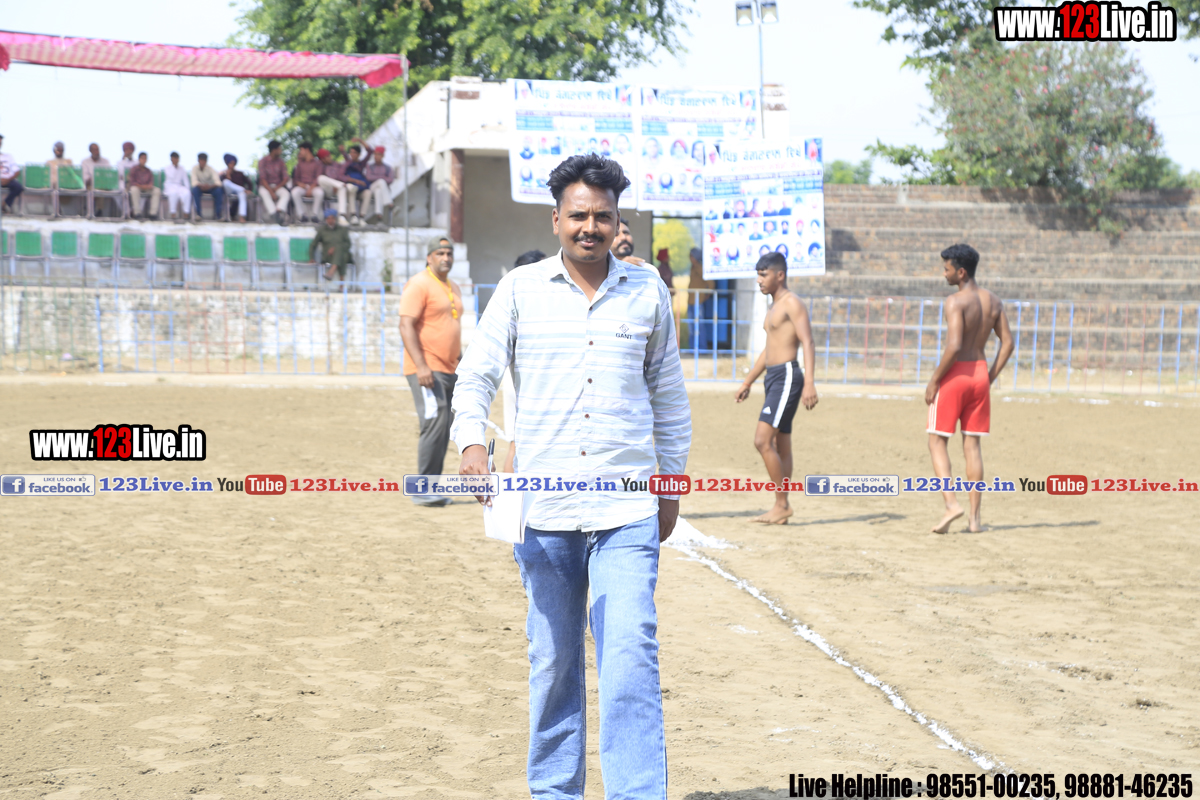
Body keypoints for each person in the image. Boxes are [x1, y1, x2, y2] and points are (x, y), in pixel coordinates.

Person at [454, 153, 690, 800]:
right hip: (544, 513)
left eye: (602, 216)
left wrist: (671, 485)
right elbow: (475, 376)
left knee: (630, 659)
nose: (591, 227)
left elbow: (669, 397)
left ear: (618, 221)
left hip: (627, 511)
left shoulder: (648, 292)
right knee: (554, 662)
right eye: (579, 215)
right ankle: (556, 792)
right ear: (556, 219)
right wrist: (471, 443)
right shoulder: (519, 290)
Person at [925, 243, 1014, 534]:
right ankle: (975, 520)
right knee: (972, 445)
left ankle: (951, 504)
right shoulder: (994, 301)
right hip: (979, 375)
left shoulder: (955, 301)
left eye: (947, 269)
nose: (944, 274)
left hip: (956, 375)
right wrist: (989, 377)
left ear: (961, 272)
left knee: (937, 441)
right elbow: (1008, 343)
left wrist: (935, 379)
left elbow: (954, 346)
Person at [734, 252, 819, 524]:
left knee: (762, 440)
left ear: (779, 275)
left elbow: (808, 342)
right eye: (757, 275)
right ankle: (781, 506)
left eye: (764, 275)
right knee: (781, 442)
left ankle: (782, 505)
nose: (759, 280)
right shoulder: (773, 307)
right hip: (773, 377)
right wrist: (748, 381)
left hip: (787, 376)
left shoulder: (792, 303)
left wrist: (809, 382)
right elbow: (768, 350)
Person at [399, 236, 462, 508]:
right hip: (426, 368)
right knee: (434, 423)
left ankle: (432, 488)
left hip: (450, 368)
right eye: (440, 253)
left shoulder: (453, 286)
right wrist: (421, 366)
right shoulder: (419, 284)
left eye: (449, 253)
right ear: (429, 258)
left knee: (444, 427)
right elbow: (405, 325)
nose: (445, 258)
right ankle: (421, 489)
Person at [354, 141, 394, 225]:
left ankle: (379, 217)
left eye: (378, 154)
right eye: (375, 154)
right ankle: (389, 203)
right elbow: (369, 177)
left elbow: (390, 180)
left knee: (378, 191)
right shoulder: (370, 166)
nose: (376, 156)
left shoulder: (387, 167)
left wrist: (377, 177)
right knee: (381, 181)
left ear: (382, 156)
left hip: (380, 190)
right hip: (371, 188)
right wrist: (382, 177)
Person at [308, 209, 354, 281]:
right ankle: (341, 283)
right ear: (326, 219)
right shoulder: (322, 231)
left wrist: (335, 249)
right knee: (342, 256)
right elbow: (313, 244)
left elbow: (348, 244)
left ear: (335, 218)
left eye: (332, 218)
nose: (330, 220)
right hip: (328, 256)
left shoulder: (342, 230)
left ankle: (331, 272)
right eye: (328, 218)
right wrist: (311, 258)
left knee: (340, 250)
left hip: (344, 255)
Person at [686, 246, 715, 350]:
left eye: (691, 256)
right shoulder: (693, 267)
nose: (690, 258)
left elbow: (710, 283)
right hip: (690, 301)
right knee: (691, 326)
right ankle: (692, 348)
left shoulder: (700, 268)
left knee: (699, 326)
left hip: (698, 302)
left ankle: (701, 348)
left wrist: (707, 295)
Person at [257, 140, 291, 226]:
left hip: (277, 186)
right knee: (264, 193)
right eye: (279, 149)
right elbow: (262, 179)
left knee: (286, 193)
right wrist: (271, 191)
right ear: (274, 150)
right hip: (265, 186)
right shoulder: (263, 161)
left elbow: (285, 178)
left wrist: (276, 188)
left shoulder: (281, 162)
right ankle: (274, 214)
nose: (281, 151)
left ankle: (278, 211)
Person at [290, 142, 324, 223]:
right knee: (294, 192)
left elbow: (318, 178)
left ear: (307, 150)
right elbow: (296, 179)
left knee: (320, 193)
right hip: (303, 187)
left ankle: (315, 215)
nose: (300, 152)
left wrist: (311, 188)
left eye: (301, 150)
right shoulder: (300, 164)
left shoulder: (318, 163)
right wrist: (299, 184)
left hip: (314, 187)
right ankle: (301, 215)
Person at [316, 148, 351, 226]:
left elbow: (348, 163)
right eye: (327, 157)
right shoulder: (320, 165)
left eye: (329, 156)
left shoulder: (336, 164)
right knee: (320, 178)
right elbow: (317, 180)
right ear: (322, 159)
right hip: (326, 190)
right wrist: (335, 184)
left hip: (336, 188)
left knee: (342, 188)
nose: (330, 158)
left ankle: (342, 216)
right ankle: (340, 184)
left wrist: (343, 152)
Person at [337, 144, 370, 225]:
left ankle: (362, 217)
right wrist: (356, 181)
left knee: (368, 192)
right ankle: (353, 215)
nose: (352, 154)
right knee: (353, 189)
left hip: (360, 189)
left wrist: (360, 141)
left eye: (354, 153)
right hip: (351, 188)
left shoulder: (361, 164)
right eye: (350, 152)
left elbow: (370, 152)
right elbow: (341, 176)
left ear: (359, 154)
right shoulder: (348, 163)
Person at [189, 153, 225, 222]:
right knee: (195, 190)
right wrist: (201, 185)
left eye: (204, 160)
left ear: (206, 161)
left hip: (210, 188)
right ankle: (198, 214)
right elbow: (194, 182)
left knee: (219, 191)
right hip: (200, 188)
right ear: (198, 160)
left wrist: (209, 186)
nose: (202, 162)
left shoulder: (210, 169)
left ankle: (218, 215)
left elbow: (218, 182)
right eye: (201, 160)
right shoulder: (194, 168)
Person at [127, 152, 161, 220]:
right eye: (142, 158)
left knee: (157, 190)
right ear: (139, 159)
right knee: (134, 189)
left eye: (145, 158)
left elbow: (151, 183)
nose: (144, 160)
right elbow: (132, 182)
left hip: (146, 188)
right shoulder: (134, 169)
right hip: (137, 187)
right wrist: (141, 186)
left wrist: (147, 186)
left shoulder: (148, 171)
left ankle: (153, 214)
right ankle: (137, 213)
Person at [219, 154, 249, 223]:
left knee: (242, 194)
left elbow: (248, 183)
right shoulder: (223, 174)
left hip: (238, 192)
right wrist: (228, 175)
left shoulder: (240, 173)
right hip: (227, 191)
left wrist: (249, 190)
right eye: (230, 163)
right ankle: (242, 189)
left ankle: (242, 217)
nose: (232, 165)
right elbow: (221, 184)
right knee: (226, 182)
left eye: (233, 163)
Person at [163, 152, 192, 220]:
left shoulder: (182, 168)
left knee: (187, 193)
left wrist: (188, 189)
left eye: (177, 158)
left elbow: (185, 179)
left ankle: (186, 213)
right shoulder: (167, 168)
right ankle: (173, 214)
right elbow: (171, 176)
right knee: (173, 193)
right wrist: (175, 166)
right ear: (171, 159)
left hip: (179, 186)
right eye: (174, 158)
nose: (176, 160)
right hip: (170, 186)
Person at [0, 135, 22, 213]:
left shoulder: (8, 156)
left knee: (18, 187)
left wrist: (8, 179)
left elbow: (17, 171)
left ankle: (5, 204)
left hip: (8, 179)